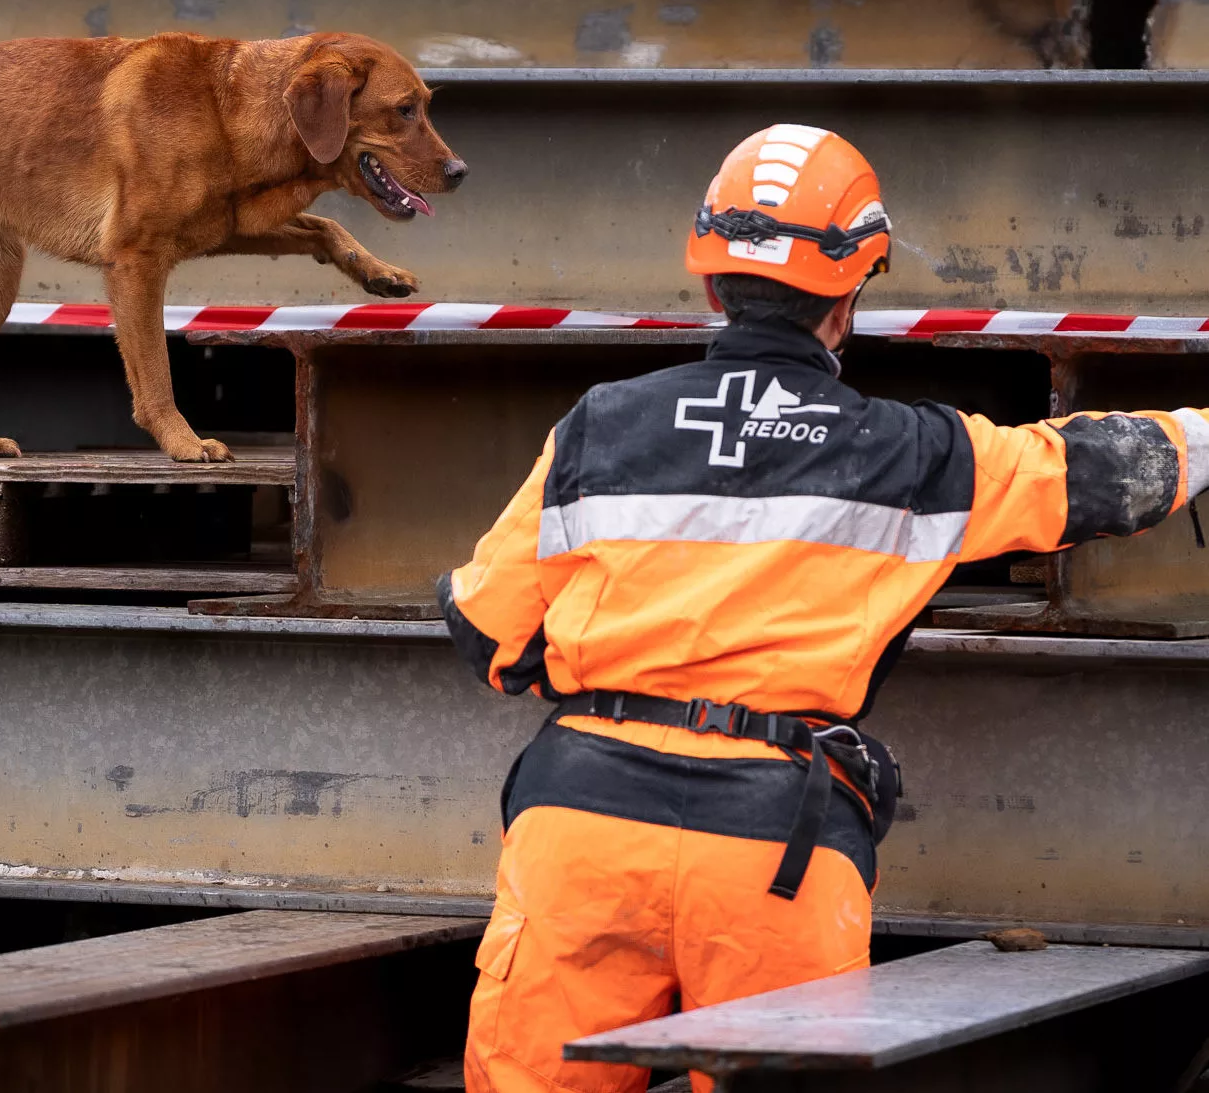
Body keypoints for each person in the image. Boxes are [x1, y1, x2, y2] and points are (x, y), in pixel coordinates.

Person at [437, 124, 1209, 1093]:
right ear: (849, 294)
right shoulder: (917, 453)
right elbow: (1097, 471)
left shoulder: (600, 423)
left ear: (710, 283)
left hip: (580, 827)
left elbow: (489, 633)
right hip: (774, 845)